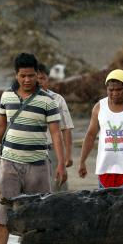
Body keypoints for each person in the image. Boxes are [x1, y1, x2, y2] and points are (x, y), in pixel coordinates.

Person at [0, 53, 67, 244]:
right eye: (23, 76)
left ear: (38, 75)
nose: (27, 80)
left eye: (31, 76)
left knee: (39, 211)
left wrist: (61, 163)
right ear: (16, 75)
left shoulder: (47, 101)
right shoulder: (6, 97)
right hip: (9, 163)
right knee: (3, 210)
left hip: (38, 164)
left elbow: (56, 134)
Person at [36, 63, 74, 191]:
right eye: (36, 79)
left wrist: (68, 155)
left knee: (58, 185)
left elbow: (66, 128)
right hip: (32, 150)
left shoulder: (58, 100)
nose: (39, 82)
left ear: (48, 79)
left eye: (42, 78)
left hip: (52, 149)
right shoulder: (23, 100)